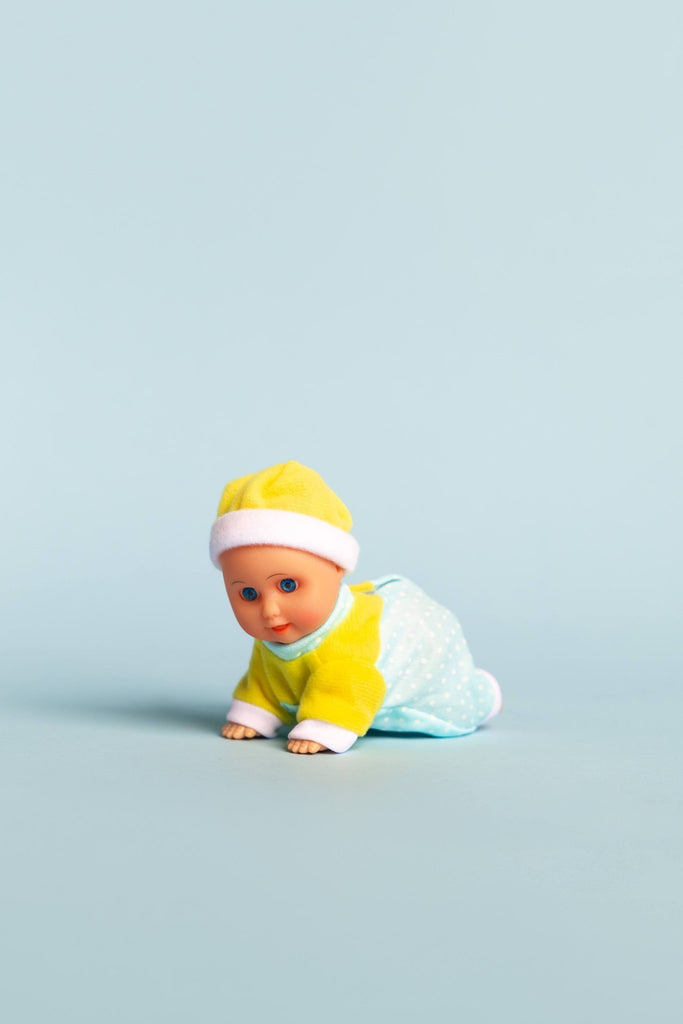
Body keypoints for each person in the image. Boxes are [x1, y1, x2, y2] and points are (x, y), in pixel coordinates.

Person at [210, 461, 502, 755]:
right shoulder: (275, 634)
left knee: (443, 699)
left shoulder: (349, 640)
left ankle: (485, 696)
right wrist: (255, 711)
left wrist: (326, 725)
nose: (269, 610)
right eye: (248, 593)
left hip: (422, 665)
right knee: (271, 664)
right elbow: (267, 674)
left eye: (288, 586)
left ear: (336, 567)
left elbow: (356, 683)